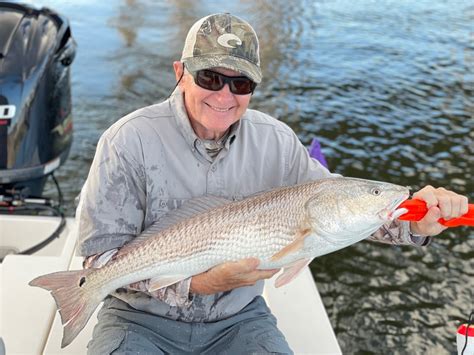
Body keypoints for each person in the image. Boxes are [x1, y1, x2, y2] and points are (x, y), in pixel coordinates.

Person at [76, 13, 469, 354]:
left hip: (238, 319)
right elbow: (100, 261)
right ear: (180, 73)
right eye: (210, 77)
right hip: (138, 318)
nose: (224, 95)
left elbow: (342, 207)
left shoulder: (277, 141)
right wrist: (199, 283)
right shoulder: (127, 140)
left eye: (241, 84)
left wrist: (414, 223)